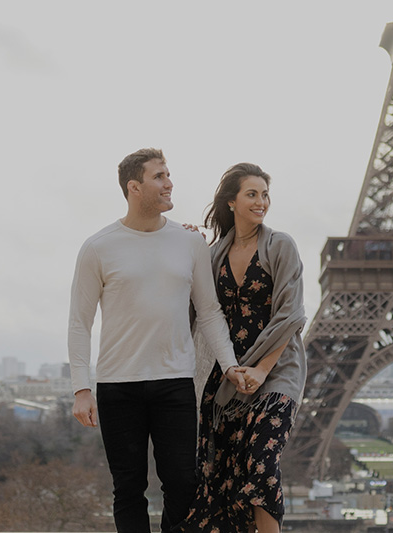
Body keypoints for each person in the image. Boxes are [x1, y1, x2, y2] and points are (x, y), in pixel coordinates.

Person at [67, 148, 245, 533]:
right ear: (134, 187)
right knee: (128, 489)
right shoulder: (98, 247)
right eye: (159, 176)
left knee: (183, 483)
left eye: (168, 174)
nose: (169, 183)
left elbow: (209, 311)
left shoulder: (190, 242)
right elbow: (79, 322)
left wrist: (229, 363)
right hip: (118, 384)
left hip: (175, 382)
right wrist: (81, 388)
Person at [176, 162, 307, 533]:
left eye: (265, 194)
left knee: (261, 462)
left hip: (275, 371)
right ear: (231, 201)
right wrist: (183, 244)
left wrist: (262, 370)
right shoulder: (213, 255)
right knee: (224, 478)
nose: (261, 201)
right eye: (252, 194)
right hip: (230, 377)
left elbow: (290, 315)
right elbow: (195, 309)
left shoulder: (280, 245)